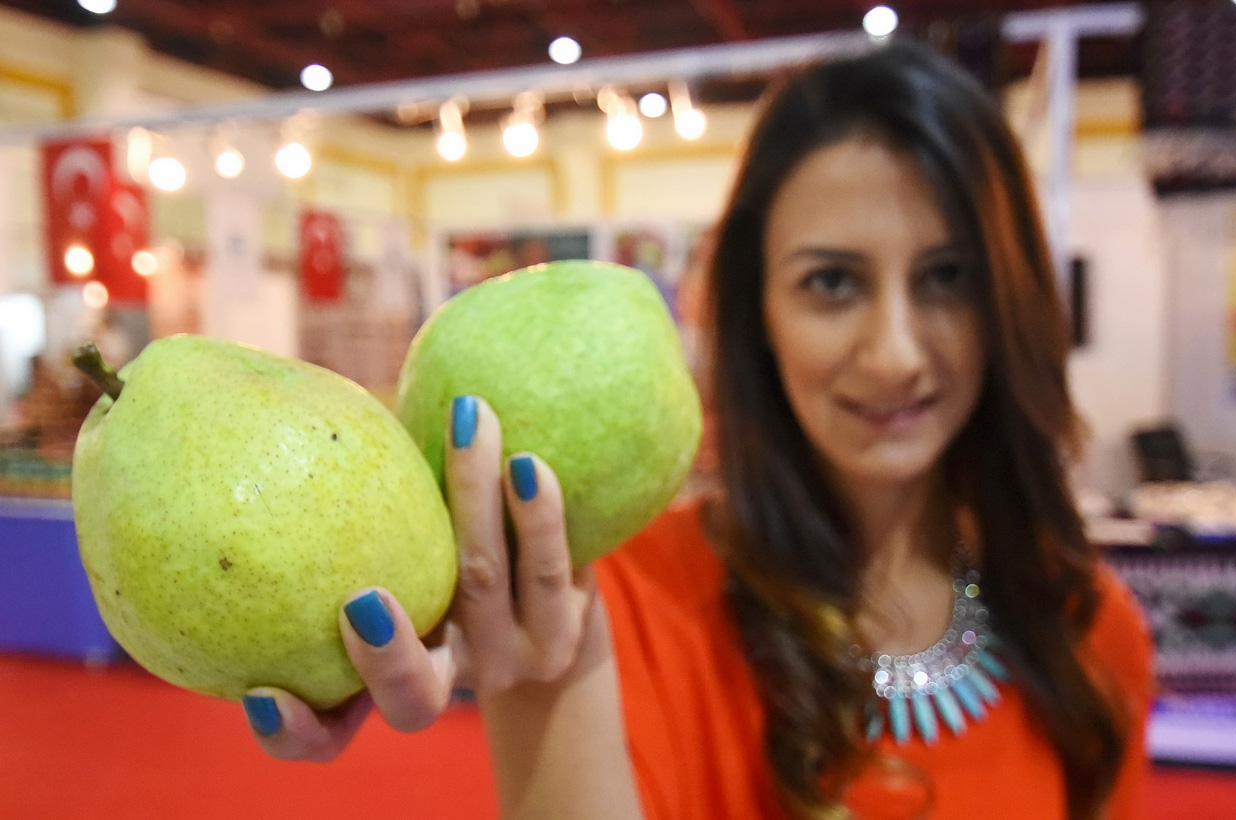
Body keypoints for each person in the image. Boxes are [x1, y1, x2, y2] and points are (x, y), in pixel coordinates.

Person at [242, 41, 1153, 820]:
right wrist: (518, 658)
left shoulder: (1090, 628)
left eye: (947, 277)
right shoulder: (628, 602)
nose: (894, 354)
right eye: (832, 283)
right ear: (759, 311)